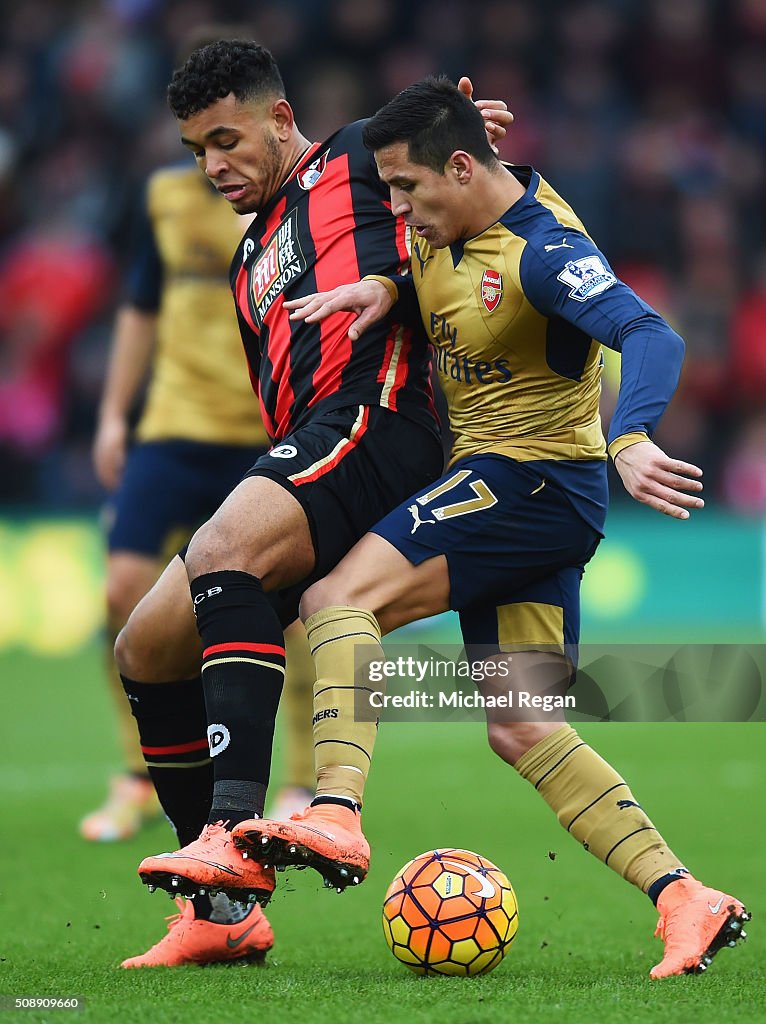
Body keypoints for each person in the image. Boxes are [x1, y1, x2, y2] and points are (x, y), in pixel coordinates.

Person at [228, 77, 750, 980]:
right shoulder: (445, 228)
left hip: (531, 480)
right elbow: (437, 271)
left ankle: (335, 813)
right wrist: (387, 291)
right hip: (529, 496)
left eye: (405, 190)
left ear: (461, 167)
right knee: (522, 726)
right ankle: (685, 899)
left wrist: (631, 436)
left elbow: (650, 333)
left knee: (336, 598)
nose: (396, 208)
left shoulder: (546, 250)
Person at [112, 43, 512, 966]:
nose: (213, 166)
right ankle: (220, 915)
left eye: (226, 139)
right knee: (146, 644)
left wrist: (464, 143)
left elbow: (469, 186)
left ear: (280, 119)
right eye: (196, 150)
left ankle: (230, 831)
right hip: (311, 444)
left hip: (379, 417)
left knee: (223, 549)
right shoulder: (249, 252)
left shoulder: (359, 154)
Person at [81, 158, 316, 848]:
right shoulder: (164, 198)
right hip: (173, 432)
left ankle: (300, 780)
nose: (212, 157)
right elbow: (140, 307)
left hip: (262, 431)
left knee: (294, 611)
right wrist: (112, 417)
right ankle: (138, 774)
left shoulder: (291, 203)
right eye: (197, 138)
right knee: (122, 592)